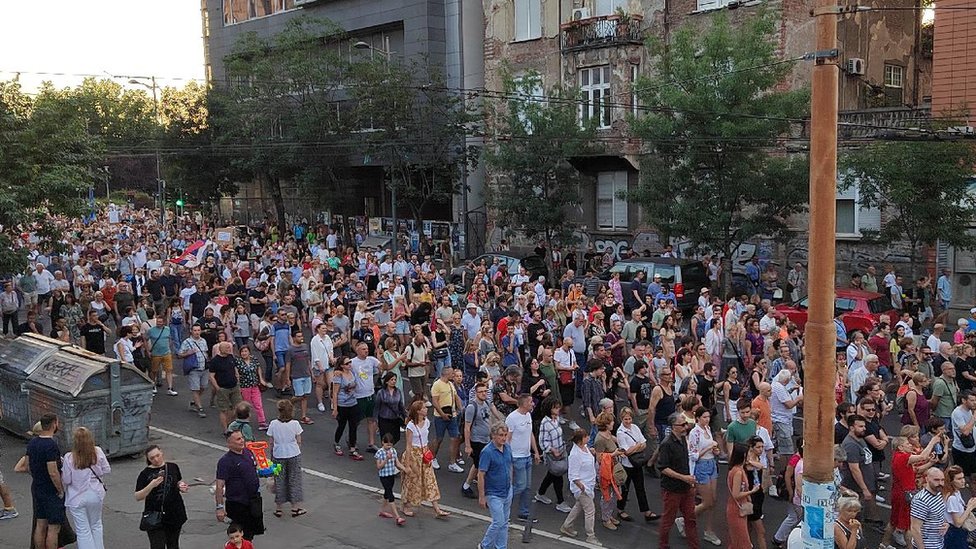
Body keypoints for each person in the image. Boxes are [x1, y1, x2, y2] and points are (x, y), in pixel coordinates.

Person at [14, 413, 65, 549]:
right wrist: (60, 489)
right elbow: (53, 471)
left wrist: (36, 475)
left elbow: (27, 465)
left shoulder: (32, 443)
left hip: (37, 487)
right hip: (50, 490)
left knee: (40, 524)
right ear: (54, 424)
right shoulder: (51, 445)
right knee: (54, 528)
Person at [60, 426, 110, 549]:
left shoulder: (69, 457)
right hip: (95, 493)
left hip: (77, 496)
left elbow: (66, 479)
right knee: (96, 524)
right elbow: (106, 470)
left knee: (83, 530)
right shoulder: (97, 451)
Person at [658, 412, 700, 549]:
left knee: (691, 518)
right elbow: (663, 468)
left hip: (686, 487)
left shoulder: (682, 439)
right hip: (672, 489)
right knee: (668, 520)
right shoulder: (667, 444)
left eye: (685, 424)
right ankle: (663, 545)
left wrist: (689, 481)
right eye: (682, 425)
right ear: (674, 426)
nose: (685, 427)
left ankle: (694, 546)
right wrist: (684, 478)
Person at [401, 400, 450, 518]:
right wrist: (407, 465)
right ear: (418, 411)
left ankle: (437, 508)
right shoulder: (411, 426)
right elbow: (408, 445)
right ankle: (405, 505)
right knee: (412, 481)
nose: (426, 409)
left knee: (430, 480)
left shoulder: (426, 422)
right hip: (414, 454)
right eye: (423, 408)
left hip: (424, 453)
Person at [134, 445, 188, 549]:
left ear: (161, 453)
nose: (156, 459)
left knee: (173, 544)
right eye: (152, 458)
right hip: (155, 515)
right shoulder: (145, 474)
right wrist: (151, 485)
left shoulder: (173, 467)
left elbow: (177, 481)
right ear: (148, 459)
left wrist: (181, 486)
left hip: (174, 513)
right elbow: (138, 496)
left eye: (157, 455)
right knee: (157, 545)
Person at [215, 431, 265, 541]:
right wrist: (219, 508)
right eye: (238, 439)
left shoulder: (248, 452)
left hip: (253, 501)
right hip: (238, 504)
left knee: (251, 532)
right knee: (240, 536)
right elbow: (219, 486)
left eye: (242, 438)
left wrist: (265, 474)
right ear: (229, 444)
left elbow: (253, 471)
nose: (242, 440)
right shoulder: (225, 461)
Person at [560, 428, 602, 546]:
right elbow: (573, 475)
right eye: (586, 437)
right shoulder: (574, 455)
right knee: (590, 510)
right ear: (580, 440)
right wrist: (582, 487)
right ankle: (590, 536)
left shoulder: (585, 448)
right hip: (583, 487)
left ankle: (566, 526)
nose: (588, 438)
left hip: (588, 484)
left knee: (579, 506)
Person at [478, 422, 515, 549]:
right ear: (493, 435)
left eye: (505, 435)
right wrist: (482, 496)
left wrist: (511, 483)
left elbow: (510, 465)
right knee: (498, 522)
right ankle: (485, 545)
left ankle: (501, 547)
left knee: (504, 522)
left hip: (507, 490)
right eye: (501, 435)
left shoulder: (507, 447)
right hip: (494, 493)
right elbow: (481, 474)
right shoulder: (487, 452)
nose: (504, 438)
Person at [266, 399, 305, 518]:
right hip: (293, 454)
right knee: (294, 480)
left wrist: (271, 455)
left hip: (278, 454)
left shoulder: (273, 424)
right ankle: (295, 507)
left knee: (279, 480)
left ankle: (279, 508)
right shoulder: (295, 424)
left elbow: (271, 442)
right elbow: (298, 441)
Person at [687, 406, 721, 546]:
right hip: (701, 466)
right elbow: (693, 455)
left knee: (713, 500)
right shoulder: (695, 432)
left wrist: (715, 451)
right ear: (698, 418)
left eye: (708, 417)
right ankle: (685, 519)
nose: (707, 420)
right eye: (704, 417)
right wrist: (708, 447)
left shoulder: (707, 429)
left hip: (711, 463)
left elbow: (711, 449)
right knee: (707, 502)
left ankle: (709, 530)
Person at [507, 393, 542, 523]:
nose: (533, 404)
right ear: (524, 404)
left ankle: (523, 512)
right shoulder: (512, 418)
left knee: (527, 487)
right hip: (516, 457)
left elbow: (530, 434)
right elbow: (507, 438)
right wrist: (506, 456)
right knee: (520, 486)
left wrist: (536, 452)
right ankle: (504, 502)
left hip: (527, 456)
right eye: (530, 402)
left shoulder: (528, 415)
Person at [536, 396, 572, 512]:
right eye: (555, 408)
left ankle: (540, 493)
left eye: (558, 407)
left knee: (551, 475)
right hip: (553, 455)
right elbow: (542, 441)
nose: (558, 409)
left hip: (560, 452)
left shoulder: (555, 419)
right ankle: (560, 501)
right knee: (557, 477)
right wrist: (552, 450)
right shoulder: (545, 423)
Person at [429, 365, 464, 472]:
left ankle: (452, 463)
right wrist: (442, 414)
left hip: (452, 416)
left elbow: (455, 396)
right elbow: (434, 402)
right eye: (452, 373)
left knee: (455, 438)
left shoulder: (450, 384)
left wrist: (460, 409)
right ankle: (432, 458)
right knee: (439, 439)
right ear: (446, 374)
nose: (453, 375)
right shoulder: (437, 385)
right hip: (440, 417)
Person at [463, 381, 493, 499]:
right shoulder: (471, 407)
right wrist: (467, 445)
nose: (483, 393)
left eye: (485, 391)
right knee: (480, 465)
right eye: (481, 392)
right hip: (476, 440)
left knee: (478, 465)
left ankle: (467, 485)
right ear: (476, 393)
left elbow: (488, 420)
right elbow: (467, 427)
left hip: (486, 439)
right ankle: (469, 486)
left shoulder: (486, 403)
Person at [350, 342, 381, 452]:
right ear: (357, 350)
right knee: (356, 421)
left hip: (370, 394)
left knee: (371, 420)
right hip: (358, 396)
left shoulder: (371, 360)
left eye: (367, 349)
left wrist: (381, 356)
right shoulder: (352, 363)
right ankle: (352, 441)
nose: (366, 351)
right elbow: (343, 371)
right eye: (363, 349)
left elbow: (384, 366)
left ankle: (371, 444)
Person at [331, 356, 364, 460]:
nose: (350, 364)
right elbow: (335, 393)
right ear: (342, 366)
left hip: (353, 402)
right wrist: (335, 408)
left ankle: (352, 448)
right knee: (341, 425)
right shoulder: (338, 376)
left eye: (350, 362)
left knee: (353, 426)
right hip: (342, 404)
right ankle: (336, 443)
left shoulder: (352, 372)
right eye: (347, 363)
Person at [726, 443, 758, 549]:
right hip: (736, 509)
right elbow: (736, 494)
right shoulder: (738, 472)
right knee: (743, 542)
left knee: (737, 541)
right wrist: (752, 491)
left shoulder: (737, 470)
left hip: (737, 508)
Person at [909, 467, 946, 549]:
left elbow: (939, 515)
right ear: (927, 479)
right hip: (927, 546)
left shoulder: (938, 494)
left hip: (938, 544)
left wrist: (946, 525)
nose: (940, 483)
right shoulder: (921, 501)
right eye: (936, 480)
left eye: (942, 480)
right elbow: (915, 528)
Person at [210, 341, 243, 432]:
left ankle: (231, 424)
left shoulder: (231, 357)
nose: (229, 349)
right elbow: (211, 376)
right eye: (227, 348)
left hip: (234, 386)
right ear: (221, 349)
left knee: (238, 407)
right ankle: (226, 430)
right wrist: (217, 388)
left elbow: (235, 368)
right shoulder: (215, 361)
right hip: (223, 388)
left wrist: (237, 379)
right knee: (224, 410)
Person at [375, 433, 407, 526]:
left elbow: (397, 463)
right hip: (384, 476)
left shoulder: (393, 451)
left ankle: (382, 511)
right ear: (382, 443)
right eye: (387, 444)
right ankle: (397, 517)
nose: (388, 446)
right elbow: (379, 466)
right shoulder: (380, 453)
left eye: (390, 444)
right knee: (390, 495)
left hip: (391, 475)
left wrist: (404, 469)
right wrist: (386, 459)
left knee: (387, 493)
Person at [178, 325, 210, 418]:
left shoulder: (203, 341)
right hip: (194, 369)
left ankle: (194, 401)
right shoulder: (187, 342)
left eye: (198, 330)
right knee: (195, 389)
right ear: (191, 331)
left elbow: (206, 352)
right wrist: (188, 353)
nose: (197, 332)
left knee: (203, 387)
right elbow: (180, 354)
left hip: (204, 368)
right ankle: (199, 408)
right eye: (195, 330)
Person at [942, 465, 976, 549]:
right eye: (959, 479)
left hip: (959, 533)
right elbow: (957, 523)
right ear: (951, 481)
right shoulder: (952, 498)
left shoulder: (957, 493)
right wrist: (970, 508)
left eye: (963, 478)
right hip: (954, 534)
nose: (963, 481)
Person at [285, 330, 314, 425]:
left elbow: (308, 361)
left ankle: (303, 416)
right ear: (293, 338)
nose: (301, 338)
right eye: (298, 336)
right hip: (296, 376)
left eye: (301, 336)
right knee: (299, 396)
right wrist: (287, 378)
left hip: (306, 375)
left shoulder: (305, 347)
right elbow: (288, 364)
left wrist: (311, 373)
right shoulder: (290, 350)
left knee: (305, 396)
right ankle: (288, 405)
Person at [375, 371, 407, 445]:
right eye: (391, 380)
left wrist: (405, 416)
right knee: (386, 438)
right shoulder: (381, 392)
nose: (394, 381)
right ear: (387, 381)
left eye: (395, 380)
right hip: (384, 419)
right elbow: (377, 407)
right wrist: (376, 420)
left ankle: (390, 450)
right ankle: (386, 452)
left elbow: (401, 405)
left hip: (395, 418)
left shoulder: (398, 391)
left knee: (396, 437)